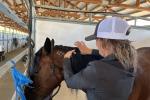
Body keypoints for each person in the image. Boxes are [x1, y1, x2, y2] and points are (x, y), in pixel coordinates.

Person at [63, 17, 136, 100]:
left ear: (104, 41)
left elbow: (70, 82)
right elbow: (112, 56)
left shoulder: (96, 69)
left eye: (96, 39)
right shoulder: (131, 62)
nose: (96, 43)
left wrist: (66, 60)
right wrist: (90, 51)